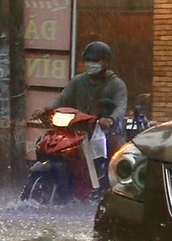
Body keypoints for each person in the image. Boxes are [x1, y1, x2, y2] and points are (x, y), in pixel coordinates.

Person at [49, 41, 128, 177]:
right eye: (88, 60)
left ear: (106, 62)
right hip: (79, 131)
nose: (90, 64)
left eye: (95, 60)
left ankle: (108, 183)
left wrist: (110, 119)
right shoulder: (77, 81)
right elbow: (62, 98)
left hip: (107, 133)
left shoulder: (117, 85)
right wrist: (46, 109)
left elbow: (120, 107)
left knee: (117, 159)